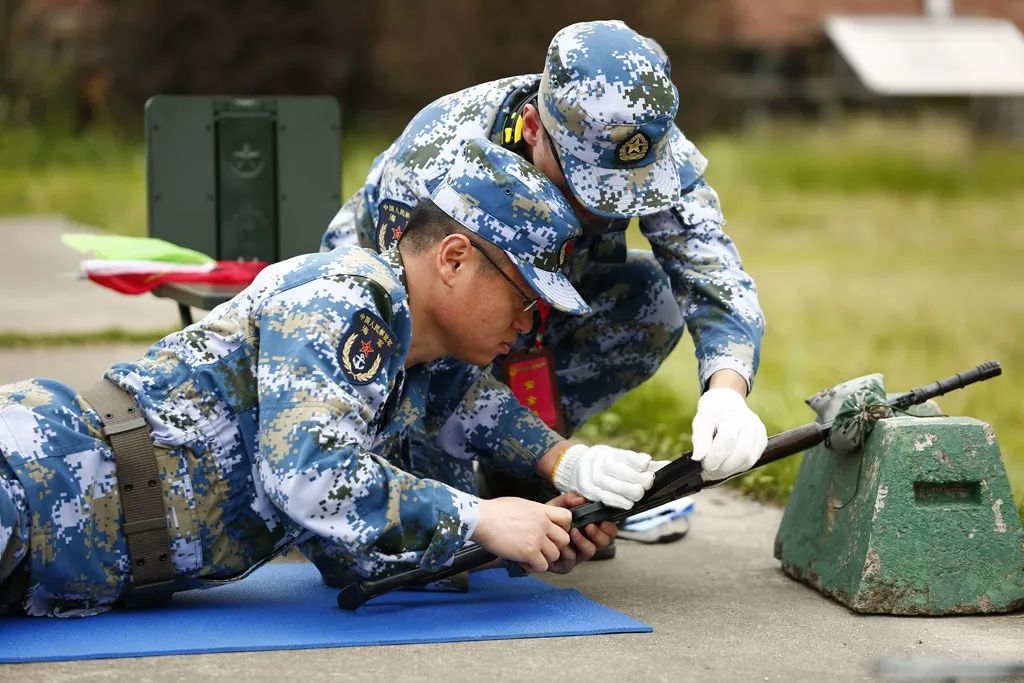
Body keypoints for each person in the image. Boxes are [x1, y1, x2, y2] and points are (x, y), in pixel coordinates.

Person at [0, 139, 657, 618]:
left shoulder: (403, 374)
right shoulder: (346, 294)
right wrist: (478, 514)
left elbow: (358, 556)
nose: (529, 322)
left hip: (64, 562)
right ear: (455, 259)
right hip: (31, 480)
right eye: (524, 295)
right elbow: (308, 475)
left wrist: (532, 538)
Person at [320, 20, 769, 513]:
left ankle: (514, 469)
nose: (609, 210)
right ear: (533, 127)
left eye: (630, 191)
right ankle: (516, 459)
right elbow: (434, 361)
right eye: (586, 186)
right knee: (446, 538)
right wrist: (558, 460)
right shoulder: (437, 162)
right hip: (406, 335)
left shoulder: (639, 143)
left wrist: (727, 391)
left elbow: (711, 270)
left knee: (653, 298)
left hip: (539, 297)